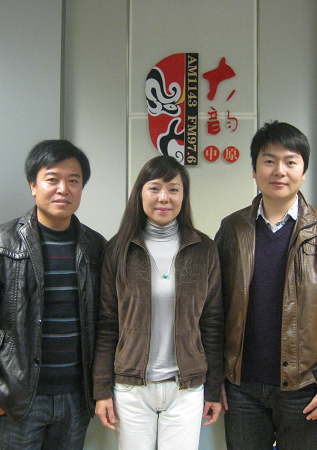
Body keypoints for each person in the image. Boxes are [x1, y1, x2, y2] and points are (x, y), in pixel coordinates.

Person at [215, 121, 317, 450]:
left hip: (305, 388)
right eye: (269, 161)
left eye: (290, 161)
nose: (279, 171)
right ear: (254, 169)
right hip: (241, 388)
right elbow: (214, 309)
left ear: (303, 171)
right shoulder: (232, 229)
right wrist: (216, 379)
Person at [0, 140, 106, 450]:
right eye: (52, 179)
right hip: (17, 397)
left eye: (73, 181)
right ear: (33, 185)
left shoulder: (96, 246)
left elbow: (103, 322)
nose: (63, 189)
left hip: (76, 398)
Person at [93, 156, 224, 450]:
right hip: (131, 388)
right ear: (140, 193)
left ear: (183, 196)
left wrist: (214, 389)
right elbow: (107, 324)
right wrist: (101, 389)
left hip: (186, 388)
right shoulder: (118, 249)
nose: (164, 197)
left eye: (173, 189)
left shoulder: (203, 249)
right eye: (154, 188)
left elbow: (213, 324)